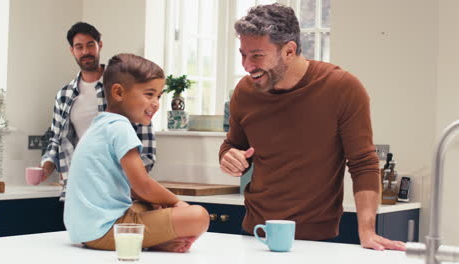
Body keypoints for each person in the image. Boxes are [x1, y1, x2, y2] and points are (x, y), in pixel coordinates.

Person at [219, 3, 405, 251]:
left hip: (317, 240)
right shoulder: (245, 91)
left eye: (257, 55)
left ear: (289, 50)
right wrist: (229, 157)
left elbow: (363, 164)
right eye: (243, 54)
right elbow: (234, 145)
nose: (247, 65)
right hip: (255, 233)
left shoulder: (341, 87)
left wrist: (367, 231)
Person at [64, 53, 209, 252]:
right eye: (149, 94)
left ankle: (156, 240)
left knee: (152, 205)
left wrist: (160, 202)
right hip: (107, 231)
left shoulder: (100, 125)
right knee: (198, 216)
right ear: (118, 93)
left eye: (158, 96)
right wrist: (176, 202)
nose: (156, 103)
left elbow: (132, 190)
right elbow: (142, 185)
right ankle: (158, 241)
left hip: (86, 231)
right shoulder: (120, 128)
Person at [40, 22, 156, 201]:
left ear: (99, 45)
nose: (85, 52)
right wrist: (46, 167)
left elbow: (145, 141)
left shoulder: (122, 88)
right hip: (78, 188)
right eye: (79, 47)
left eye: (90, 45)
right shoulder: (64, 95)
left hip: (119, 189)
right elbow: (56, 140)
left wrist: (132, 176)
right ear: (72, 50)